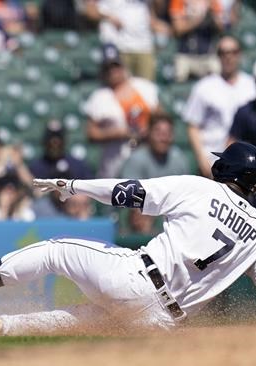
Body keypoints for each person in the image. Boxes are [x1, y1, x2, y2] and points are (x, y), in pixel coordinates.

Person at [0, 142, 256, 336]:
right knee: (75, 321)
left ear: (228, 168)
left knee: (58, 250)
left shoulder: (199, 188)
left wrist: (73, 186)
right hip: (163, 326)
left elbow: (126, 191)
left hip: (136, 279)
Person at [184, 35, 256, 178]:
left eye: (233, 52)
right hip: (212, 161)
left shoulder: (251, 86)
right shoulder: (204, 86)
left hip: (244, 164)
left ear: (240, 54)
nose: (228, 57)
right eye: (223, 53)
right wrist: (202, 159)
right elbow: (193, 126)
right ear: (218, 56)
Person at [84, 45, 159, 178]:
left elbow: (160, 117)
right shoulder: (99, 97)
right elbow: (91, 133)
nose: (113, 71)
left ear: (123, 66)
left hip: (147, 153)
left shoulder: (144, 87)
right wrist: (114, 133)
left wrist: (148, 129)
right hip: (116, 159)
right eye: (108, 68)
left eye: (116, 66)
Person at [121, 113, 190, 233]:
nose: (163, 138)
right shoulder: (136, 159)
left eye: (167, 133)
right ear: (149, 133)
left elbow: (186, 195)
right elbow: (130, 195)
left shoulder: (179, 160)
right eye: (158, 133)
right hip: (142, 215)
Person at [90, 0, 157, 80]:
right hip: (119, 46)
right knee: (120, 85)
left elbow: (153, 14)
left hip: (144, 46)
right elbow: (90, 10)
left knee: (146, 87)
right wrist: (108, 17)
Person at [169, 0, 223, 82]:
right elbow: (178, 29)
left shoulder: (211, 1)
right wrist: (199, 18)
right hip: (185, 54)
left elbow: (221, 27)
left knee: (217, 73)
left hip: (207, 55)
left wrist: (212, 14)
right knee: (179, 76)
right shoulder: (179, 1)